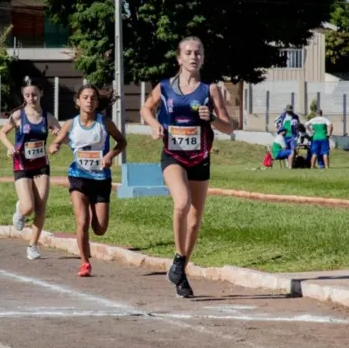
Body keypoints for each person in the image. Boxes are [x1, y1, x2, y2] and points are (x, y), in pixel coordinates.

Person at [140, 37, 234, 297]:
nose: (194, 57)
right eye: (189, 53)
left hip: (200, 157)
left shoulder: (210, 90)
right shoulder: (164, 87)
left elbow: (230, 126)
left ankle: (180, 266)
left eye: (198, 53)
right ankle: (179, 262)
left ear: (203, 58)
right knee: (181, 203)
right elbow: (146, 108)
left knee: (194, 222)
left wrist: (212, 118)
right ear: (179, 58)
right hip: (173, 155)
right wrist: (153, 124)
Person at [49, 85, 126, 277]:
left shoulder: (104, 123)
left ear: (97, 102)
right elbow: (57, 140)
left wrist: (110, 155)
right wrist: (55, 146)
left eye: (93, 98)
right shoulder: (71, 124)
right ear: (78, 101)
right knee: (82, 221)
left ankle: (91, 213)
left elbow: (122, 141)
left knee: (100, 229)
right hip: (79, 178)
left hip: (100, 179)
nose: (89, 101)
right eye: (85, 97)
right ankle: (84, 263)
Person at [0, 82, 61, 260]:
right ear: (24, 97)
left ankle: (33, 245)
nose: (31, 98)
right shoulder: (18, 116)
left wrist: (58, 134)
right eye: (27, 95)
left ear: (41, 93)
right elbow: (1, 132)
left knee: (41, 208)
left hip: (41, 165)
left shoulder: (48, 117)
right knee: (28, 207)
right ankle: (20, 211)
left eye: (34, 94)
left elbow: (63, 136)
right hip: (22, 164)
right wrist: (10, 147)